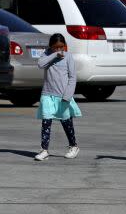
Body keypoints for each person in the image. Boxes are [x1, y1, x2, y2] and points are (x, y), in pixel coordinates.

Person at [34, 33, 81, 161]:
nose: (60, 50)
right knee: (46, 121)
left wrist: (68, 95)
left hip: (63, 96)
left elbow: (72, 78)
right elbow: (40, 64)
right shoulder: (46, 55)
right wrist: (54, 55)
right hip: (47, 94)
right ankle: (44, 150)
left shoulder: (68, 57)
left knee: (66, 122)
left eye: (62, 47)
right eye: (56, 47)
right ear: (51, 47)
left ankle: (73, 146)